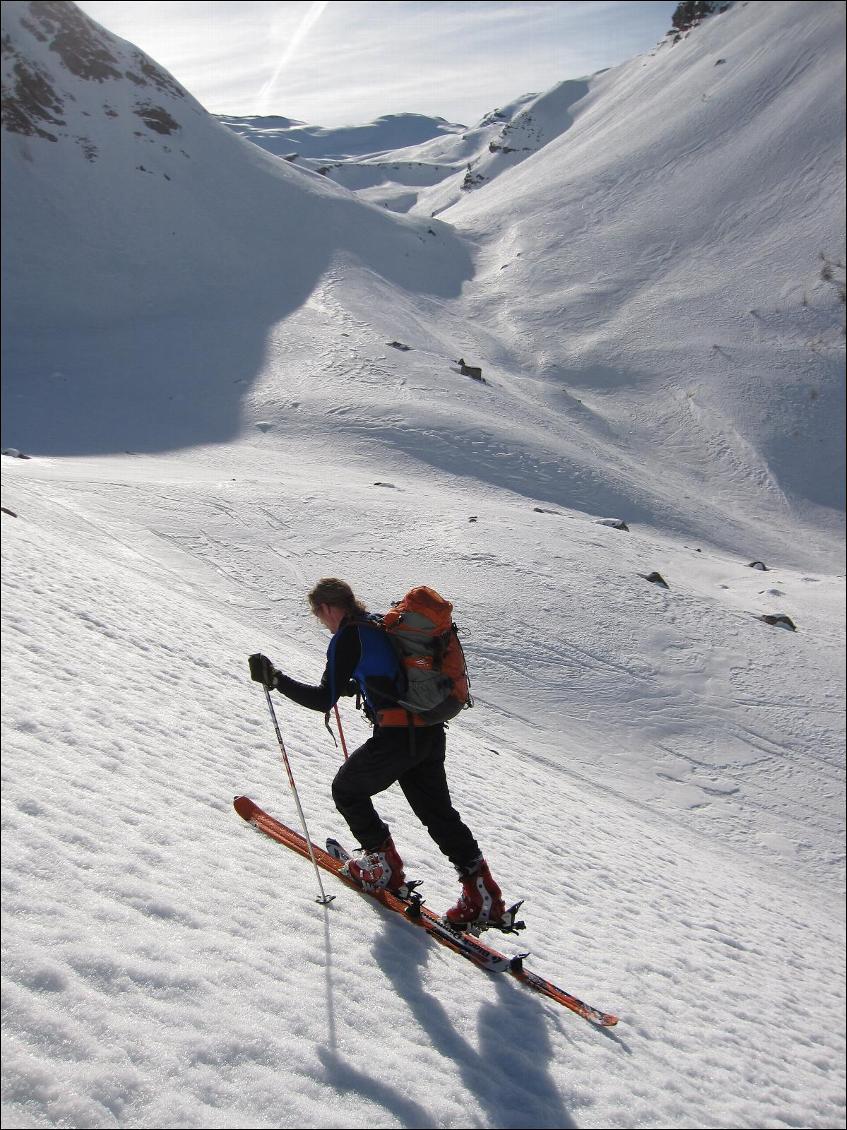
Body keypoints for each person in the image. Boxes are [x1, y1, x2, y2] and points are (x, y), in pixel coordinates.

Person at [248, 577, 508, 929]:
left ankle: (382, 866)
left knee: (347, 790)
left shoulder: (348, 637)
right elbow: (385, 676)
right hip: (428, 732)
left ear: (326, 608)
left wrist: (276, 679)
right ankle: (483, 895)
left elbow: (322, 698)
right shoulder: (375, 625)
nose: (322, 623)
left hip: (398, 736)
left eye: (319, 616)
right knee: (438, 814)